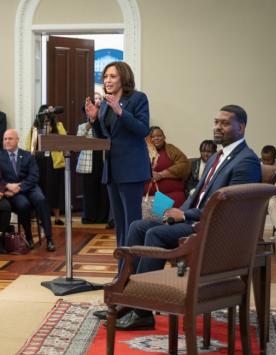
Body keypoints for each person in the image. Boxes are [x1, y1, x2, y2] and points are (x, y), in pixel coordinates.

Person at [112, 105, 262, 331]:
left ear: (241, 127)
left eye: (224, 123)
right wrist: (175, 214)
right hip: (193, 219)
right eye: (215, 122)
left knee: (155, 234)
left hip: (213, 229)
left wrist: (184, 215)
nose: (217, 127)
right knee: (138, 226)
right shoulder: (216, 157)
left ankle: (142, 312)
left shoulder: (246, 160)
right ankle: (128, 298)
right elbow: (197, 196)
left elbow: (230, 210)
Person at [84, 61, 151, 248]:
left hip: (132, 170)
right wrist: (94, 119)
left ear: (124, 78)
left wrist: (121, 111)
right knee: (120, 225)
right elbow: (104, 137)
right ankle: (123, 271)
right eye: (105, 77)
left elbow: (143, 129)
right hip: (112, 171)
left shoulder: (138, 99)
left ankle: (135, 270)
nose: (107, 80)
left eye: (112, 76)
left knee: (132, 223)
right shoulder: (105, 104)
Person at [0, 129, 56, 251]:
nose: (7, 141)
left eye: (10, 138)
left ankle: (49, 238)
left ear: (17, 140)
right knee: (23, 205)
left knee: (41, 200)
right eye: (5, 139)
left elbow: (34, 176)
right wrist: (7, 186)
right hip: (12, 191)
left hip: (29, 187)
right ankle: (28, 236)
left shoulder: (27, 155)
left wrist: (19, 187)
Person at [28, 105, 66, 225]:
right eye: (44, 113)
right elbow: (28, 145)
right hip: (39, 160)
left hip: (53, 161)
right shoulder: (34, 128)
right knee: (41, 188)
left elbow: (64, 140)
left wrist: (52, 128)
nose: (46, 115)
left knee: (55, 189)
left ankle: (57, 217)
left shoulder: (58, 126)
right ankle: (42, 217)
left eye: (49, 113)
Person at [76, 94, 109, 224]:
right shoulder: (82, 126)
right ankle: (89, 216)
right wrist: (90, 123)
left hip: (102, 161)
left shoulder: (104, 125)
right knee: (89, 192)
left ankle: (103, 217)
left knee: (103, 191)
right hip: (88, 164)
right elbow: (79, 143)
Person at [144, 126, 190, 208]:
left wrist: (161, 175)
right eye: (153, 137)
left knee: (168, 217)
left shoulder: (171, 149)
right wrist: (149, 174)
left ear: (164, 137)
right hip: (148, 195)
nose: (156, 138)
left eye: (159, 136)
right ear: (148, 139)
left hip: (172, 193)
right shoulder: (143, 151)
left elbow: (184, 165)